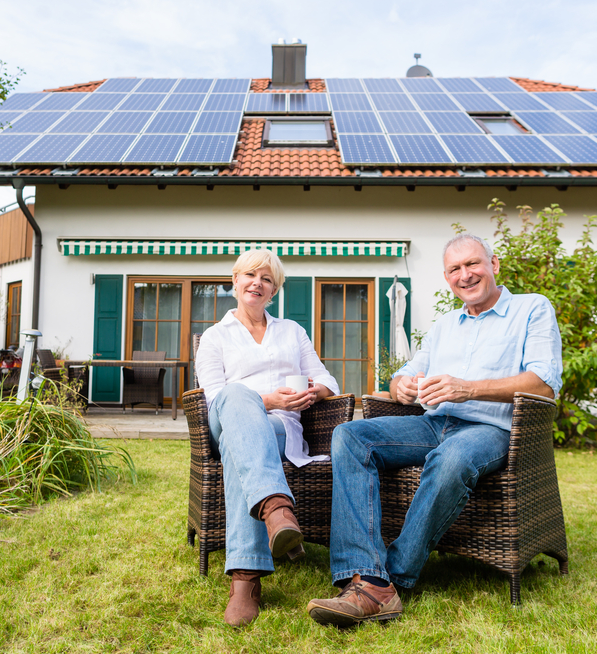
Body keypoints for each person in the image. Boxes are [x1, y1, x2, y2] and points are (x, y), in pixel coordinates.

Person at [306, 233, 562, 627]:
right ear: (447, 278)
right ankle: (367, 574)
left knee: (453, 456)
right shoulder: (445, 325)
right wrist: (400, 386)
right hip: (432, 423)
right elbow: (406, 374)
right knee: (350, 435)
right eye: (455, 269)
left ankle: (383, 579)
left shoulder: (532, 309)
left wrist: (469, 389)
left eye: (473, 264)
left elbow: (543, 383)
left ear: (493, 266)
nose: (466, 274)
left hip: (491, 430)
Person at [195, 248, 340, 627]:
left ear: (273, 291)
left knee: (239, 446)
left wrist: (314, 393)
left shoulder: (292, 331)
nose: (257, 283)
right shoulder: (214, 337)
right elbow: (214, 397)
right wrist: (267, 399)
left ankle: (245, 580)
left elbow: (328, 380)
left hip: (281, 429)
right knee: (235, 395)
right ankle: (276, 507)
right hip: (225, 420)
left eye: (266, 279)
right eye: (250, 275)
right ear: (235, 281)